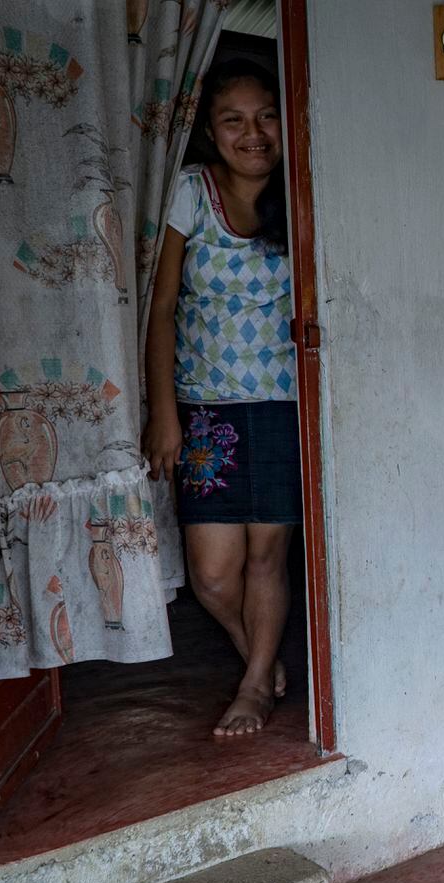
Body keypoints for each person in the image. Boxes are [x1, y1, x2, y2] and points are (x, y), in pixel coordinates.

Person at [142, 58, 298, 738]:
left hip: (282, 407)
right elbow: (163, 308)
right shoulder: (189, 193)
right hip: (206, 412)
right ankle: (254, 653)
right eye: (234, 120)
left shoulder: (301, 197)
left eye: (267, 116)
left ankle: (256, 685)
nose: (254, 134)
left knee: (267, 558)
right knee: (211, 575)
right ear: (211, 129)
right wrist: (164, 413)